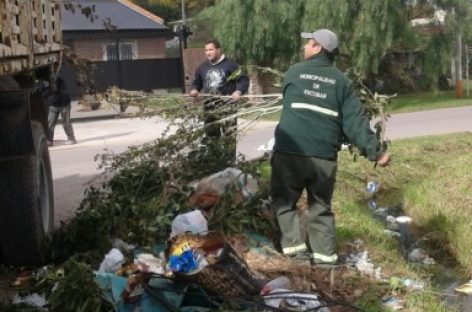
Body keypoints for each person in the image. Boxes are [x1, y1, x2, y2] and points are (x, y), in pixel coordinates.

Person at [270, 29, 390, 266]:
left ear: (318, 48)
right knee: (320, 207)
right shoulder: (341, 82)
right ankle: (325, 263)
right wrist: (376, 152)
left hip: (289, 152)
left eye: (308, 43)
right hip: (323, 158)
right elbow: (355, 123)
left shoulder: (294, 72)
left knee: (284, 202)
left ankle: (297, 257)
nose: (304, 47)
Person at [189, 39, 249, 140]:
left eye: (211, 49)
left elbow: (242, 79)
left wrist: (238, 91)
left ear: (218, 50)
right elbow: (196, 83)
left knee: (229, 137)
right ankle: (213, 156)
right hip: (209, 107)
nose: (208, 52)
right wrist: (194, 90)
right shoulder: (202, 67)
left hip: (227, 106)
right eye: (206, 50)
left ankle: (228, 156)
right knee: (211, 137)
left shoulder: (230, 64)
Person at [47, 75, 76, 146]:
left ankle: (71, 139)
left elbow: (52, 89)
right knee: (50, 122)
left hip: (64, 103)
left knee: (66, 122)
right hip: (54, 103)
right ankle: (49, 141)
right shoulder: (46, 80)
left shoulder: (55, 77)